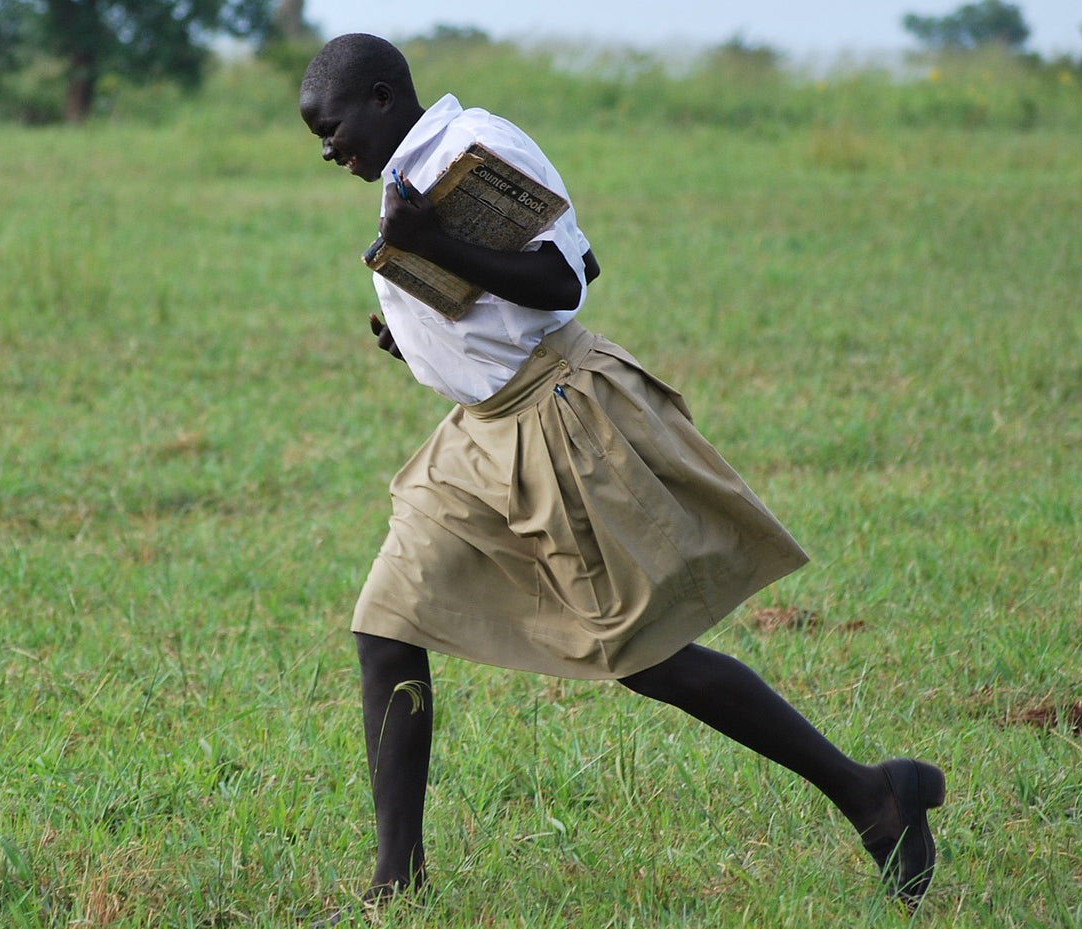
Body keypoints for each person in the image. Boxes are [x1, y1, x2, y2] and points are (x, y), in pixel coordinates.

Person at [297, 33, 945, 915]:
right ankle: (395, 885)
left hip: (552, 420)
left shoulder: (474, 149)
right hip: (475, 436)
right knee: (386, 625)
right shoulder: (405, 179)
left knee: (644, 658)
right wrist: (418, 321)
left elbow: (564, 279)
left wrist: (436, 253)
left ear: (381, 96)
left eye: (331, 129)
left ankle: (873, 795)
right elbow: (504, 290)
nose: (328, 149)